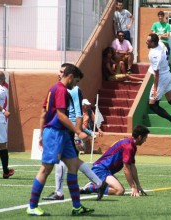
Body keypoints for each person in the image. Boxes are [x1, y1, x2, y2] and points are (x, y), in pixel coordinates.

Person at [26, 64, 95, 216]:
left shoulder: (53, 89)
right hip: (55, 133)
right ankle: (32, 206)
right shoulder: (61, 91)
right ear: (70, 77)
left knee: (72, 165)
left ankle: (77, 207)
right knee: (46, 169)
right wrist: (78, 131)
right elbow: (61, 115)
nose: (75, 84)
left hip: (60, 134)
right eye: (76, 81)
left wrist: (42, 133)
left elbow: (44, 113)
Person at [42, 64, 103, 201]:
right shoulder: (60, 89)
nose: (60, 74)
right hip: (65, 128)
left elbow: (79, 112)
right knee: (72, 160)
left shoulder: (74, 89)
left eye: (62, 71)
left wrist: (77, 132)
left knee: (63, 160)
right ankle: (99, 183)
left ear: (68, 74)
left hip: (68, 128)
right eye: (59, 71)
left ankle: (59, 193)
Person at [80, 125, 149, 198]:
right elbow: (126, 169)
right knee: (119, 191)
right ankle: (91, 188)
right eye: (145, 138)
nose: (145, 140)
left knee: (119, 190)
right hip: (100, 169)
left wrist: (138, 185)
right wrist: (133, 187)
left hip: (106, 171)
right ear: (140, 137)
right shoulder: (128, 146)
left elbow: (132, 167)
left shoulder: (132, 146)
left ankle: (96, 185)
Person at [0, 71, 14, 179]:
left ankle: (6, 171)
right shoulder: (2, 89)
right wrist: (4, 111)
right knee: (3, 145)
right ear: (3, 79)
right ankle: (5, 171)